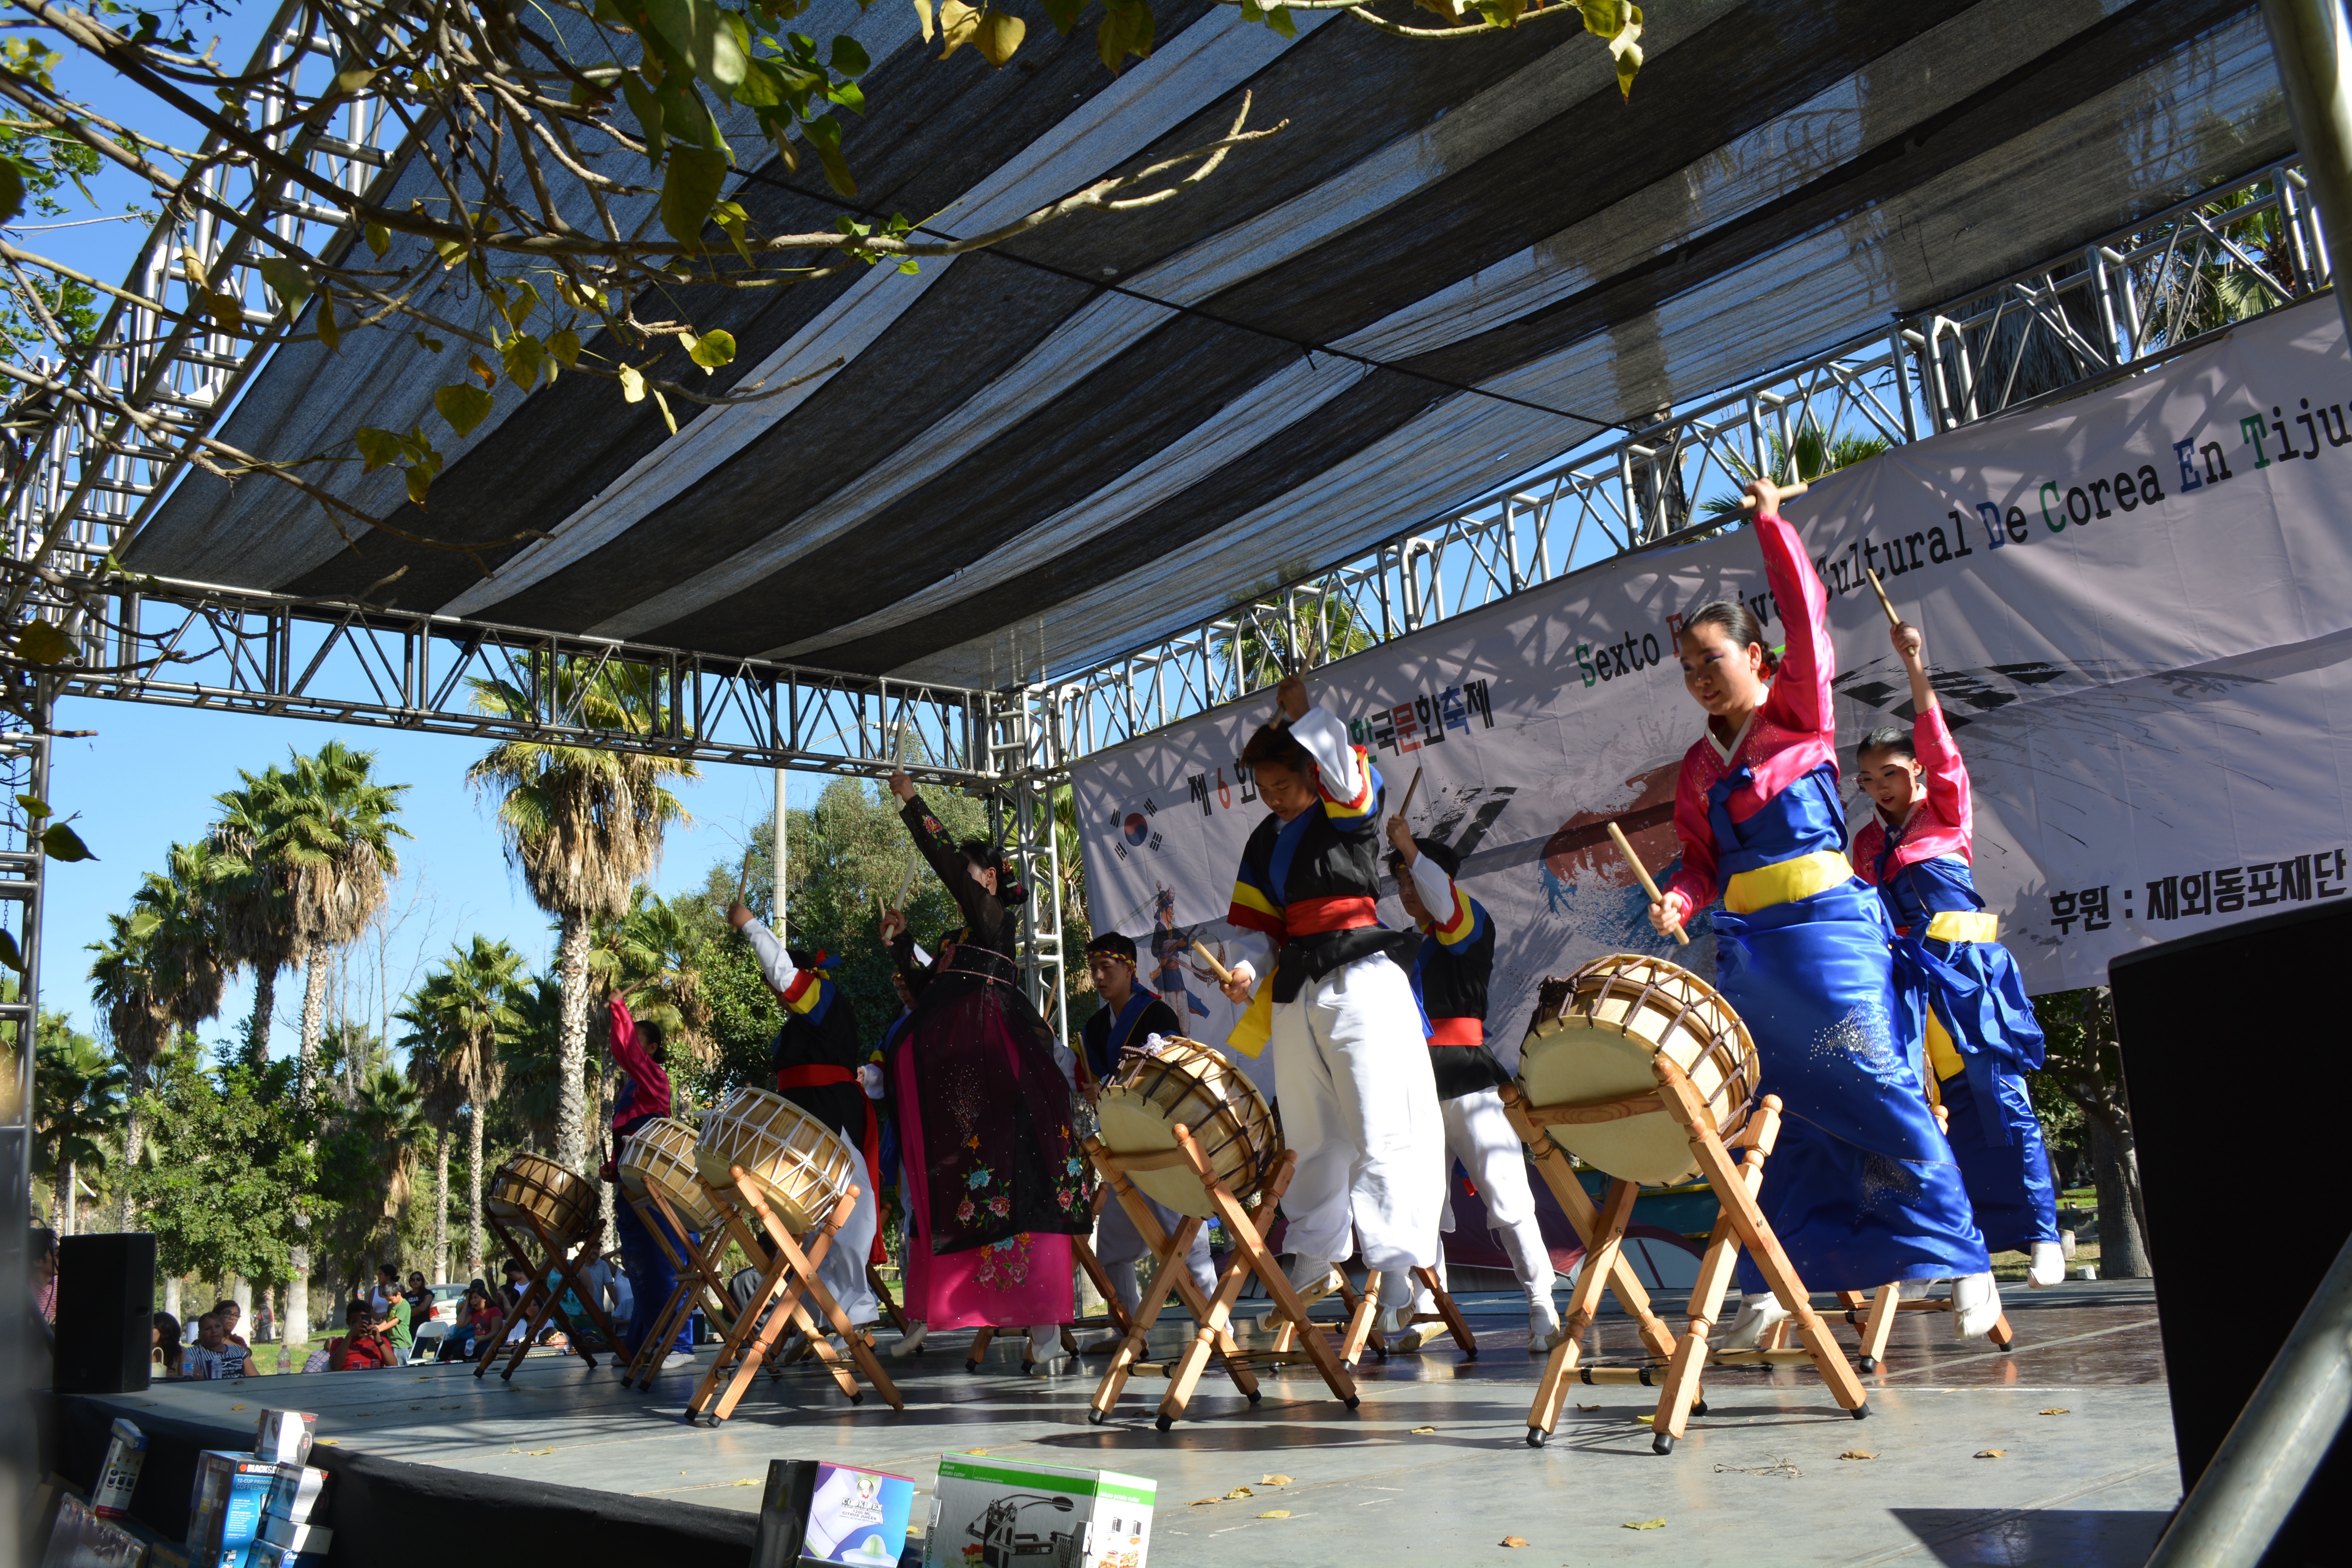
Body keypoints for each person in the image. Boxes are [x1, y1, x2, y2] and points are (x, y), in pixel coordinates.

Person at [1648, 476, 1996, 1345]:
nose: (1698, 678)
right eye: (1687, 668)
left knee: (1878, 1084)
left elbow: (1806, 614)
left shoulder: (1798, 712)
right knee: (1777, 1114)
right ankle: (1778, 1278)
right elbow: (1699, 862)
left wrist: (1771, 524)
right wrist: (1679, 897)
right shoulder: (1696, 767)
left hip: (1832, 935)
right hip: (1753, 956)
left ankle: (1966, 1258)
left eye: (1711, 660)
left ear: (1757, 658)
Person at [1214, 671, 1443, 1335]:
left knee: (1377, 1124)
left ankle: (1396, 1272)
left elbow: (1347, 773)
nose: (1273, 798)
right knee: (1309, 1129)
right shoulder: (1264, 841)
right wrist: (1244, 970)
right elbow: (1259, 933)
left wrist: (1308, 714)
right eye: (1263, 788)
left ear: (1311, 772)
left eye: (1282, 785)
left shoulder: (1346, 807)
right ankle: (1315, 1254)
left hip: (1358, 974)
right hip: (1296, 988)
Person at [1853, 619, 2066, 1289]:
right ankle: (1942, 1246)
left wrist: (1914, 664)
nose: (1880, 787)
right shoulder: (1866, 845)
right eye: (1868, 780)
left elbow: (1938, 737)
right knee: (1918, 1111)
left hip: (1968, 975)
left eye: (1891, 774)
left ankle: (2042, 1235)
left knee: (2000, 1100)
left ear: (1916, 769)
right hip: (1908, 980)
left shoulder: (1946, 809)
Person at [873, 769, 1092, 1374]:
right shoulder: (961, 940)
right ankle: (935, 1307)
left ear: (991, 878)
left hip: (997, 1072)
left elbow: (948, 865)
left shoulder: (996, 919)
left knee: (1023, 1187)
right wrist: (902, 945)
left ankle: (1044, 1327)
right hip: (962, 1084)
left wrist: (913, 803)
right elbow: (928, 995)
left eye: (969, 873)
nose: (960, 882)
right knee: (957, 1188)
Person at [1384, 820, 1560, 1354]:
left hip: (1470, 1077)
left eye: (1414, 879)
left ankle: (1542, 1301)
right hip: (1418, 1082)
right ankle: (1430, 1305)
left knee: (1506, 1195)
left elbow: (1443, 902)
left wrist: (1409, 847)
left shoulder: (1469, 920)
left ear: (1441, 880)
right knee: (1420, 1203)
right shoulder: (1412, 946)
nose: (1407, 891)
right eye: (1400, 882)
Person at [727, 904, 883, 1341]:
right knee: (812, 1217)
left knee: (850, 1208)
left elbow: (785, 977)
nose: (778, 995)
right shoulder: (800, 1021)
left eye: (777, 986)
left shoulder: (823, 997)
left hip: (832, 1114)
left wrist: (750, 925)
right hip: (804, 1123)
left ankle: (854, 1306)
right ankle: (820, 1309)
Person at [1077, 931, 1217, 1328]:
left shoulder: (1158, 1015)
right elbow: (1092, 1079)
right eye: (1094, 968)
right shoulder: (1094, 1028)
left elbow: (1169, 1077)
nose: (1099, 977)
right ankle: (1129, 1333)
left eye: (1107, 967)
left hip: (1164, 1143)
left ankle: (1217, 1332)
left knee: (1188, 1247)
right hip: (1124, 1150)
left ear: (1129, 969)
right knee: (1113, 1251)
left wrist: (1108, 1087)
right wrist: (1095, 1090)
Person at [600, 994, 696, 1372]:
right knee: (639, 1268)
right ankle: (643, 1342)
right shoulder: (630, 1088)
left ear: (652, 1049)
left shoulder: (654, 1077)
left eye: (636, 1039)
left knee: (661, 1263)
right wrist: (613, 1168)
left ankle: (680, 1344)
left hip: (656, 1186)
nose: (629, 1046)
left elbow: (626, 1053)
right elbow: (626, 1140)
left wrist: (619, 1010)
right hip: (631, 1187)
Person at [325, 1299, 396, 1371]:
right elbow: (335, 1367)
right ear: (348, 1322)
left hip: (375, 1377)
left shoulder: (382, 1341)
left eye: (364, 1321)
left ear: (371, 1321)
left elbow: (394, 1366)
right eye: (356, 1322)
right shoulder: (339, 1343)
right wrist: (350, 1336)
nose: (360, 1326)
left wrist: (379, 1342)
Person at [185, 1312, 249, 1379]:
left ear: (223, 1329)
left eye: (218, 1326)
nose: (214, 1331)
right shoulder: (190, 1354)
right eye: (208, 1328)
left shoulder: (238, 1350)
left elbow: (254, 1377)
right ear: (200, 1333)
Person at [371, 1265, 414, 1357]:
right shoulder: (391, 1306)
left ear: (399, 1294)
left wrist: (380, 1330)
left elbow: (394, 1322)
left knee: (400, 1366)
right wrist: (377, 1328)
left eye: (391, 1300)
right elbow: (388, 1320)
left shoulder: (404, 1305)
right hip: (392, 1342)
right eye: (387, 1300)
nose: (389, 1302)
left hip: (402, 1343)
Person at [151, 1311, 183, 1380]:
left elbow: (185, 1378)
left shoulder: (181, 1353)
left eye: (153, 1327)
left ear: (165, 1331)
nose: (148, 1331)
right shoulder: (143, 1352)